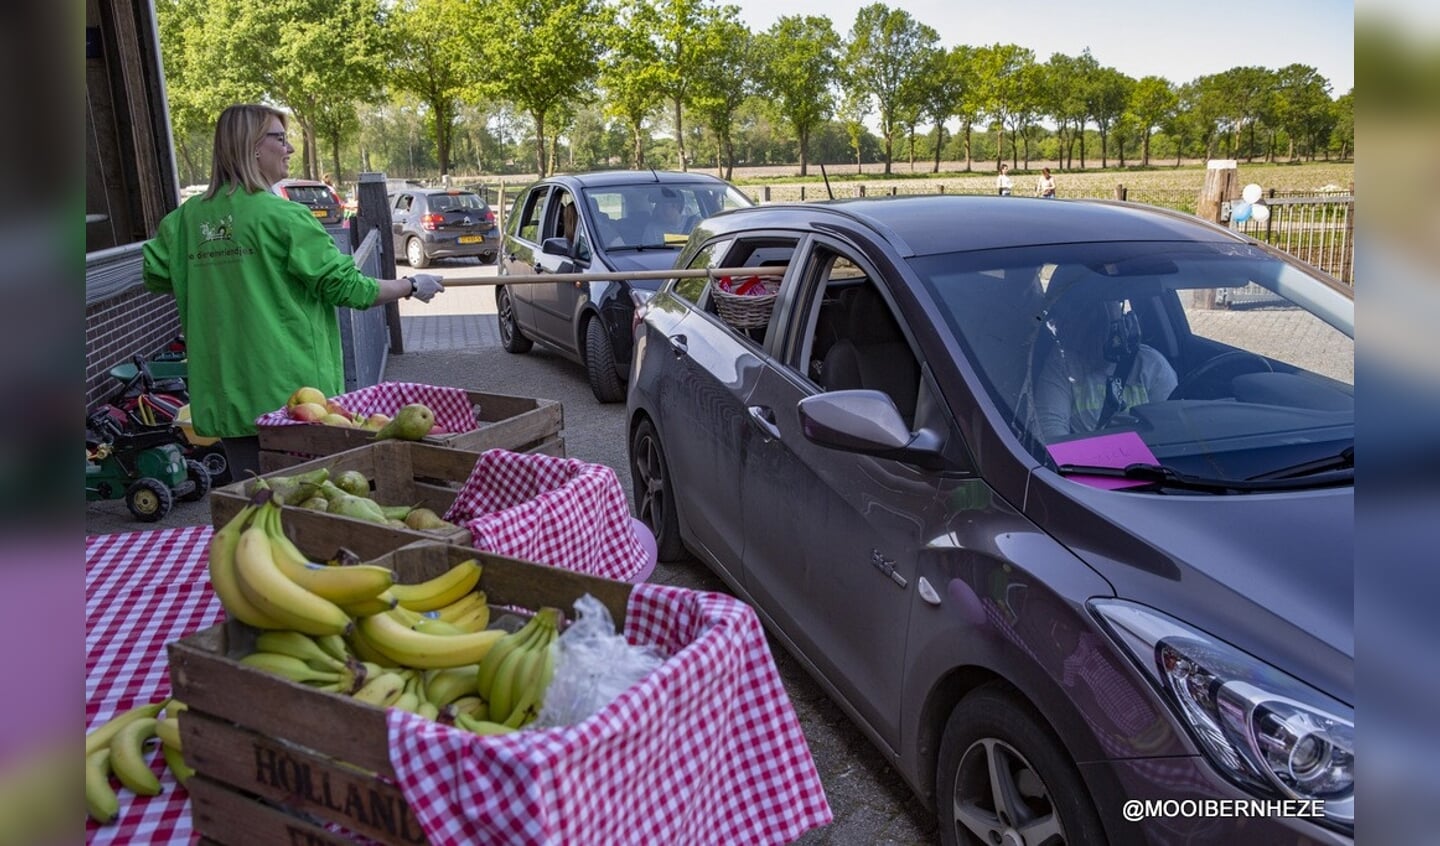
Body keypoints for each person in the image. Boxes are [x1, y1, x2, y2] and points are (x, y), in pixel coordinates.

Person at [142, 104, 445, 478]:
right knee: (306, 505)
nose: (289, 149)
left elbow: (156, 273)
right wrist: (411, 285)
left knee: (251, 502)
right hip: (292, 398)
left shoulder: (183, 222)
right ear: (252, 146)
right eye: (281, 139)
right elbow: (346, 287)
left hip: (226, 394)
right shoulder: (285, 217)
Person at [1034, 293, 1177, 440]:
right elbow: (1051, 431)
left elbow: (1171, 430)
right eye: (1086, 321)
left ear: (1122, 327)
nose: (1094, 333)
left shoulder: (1152, 365)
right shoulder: (1062, 362)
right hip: (1082, 461)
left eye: (1101, 324)